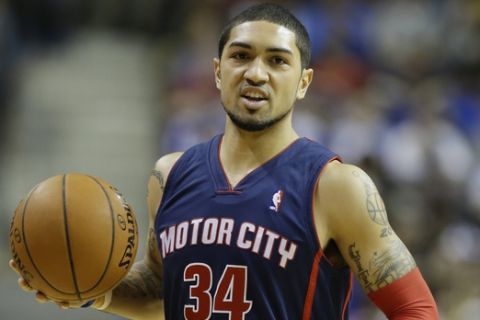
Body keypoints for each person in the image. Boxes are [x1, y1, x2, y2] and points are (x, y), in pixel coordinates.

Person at [10, 3, 439, 319]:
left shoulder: (336, 185)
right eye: (241, 55)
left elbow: (415, 310)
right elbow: (162, 292)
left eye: (277, 61)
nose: (255, 72)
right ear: (217, 72)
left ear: (304, 81)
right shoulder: (170, 174)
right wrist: (86, 288)